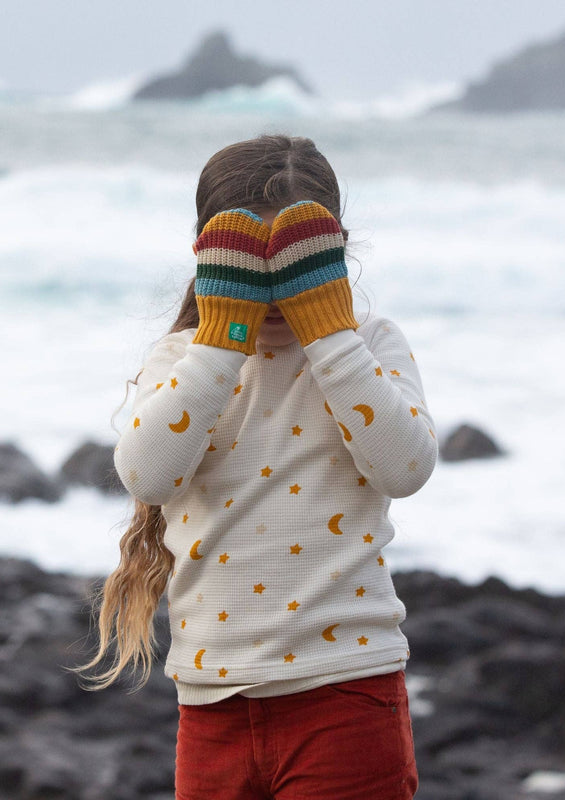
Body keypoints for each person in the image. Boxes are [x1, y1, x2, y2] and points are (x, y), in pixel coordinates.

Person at [87, 134, 438, 799]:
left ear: (335, 252)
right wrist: (223, 338)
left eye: (301, 259)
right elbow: (147, 476)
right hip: (212, 703)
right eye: (257, 260)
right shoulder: (187, 362)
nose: (279, 284)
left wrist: (329, 332)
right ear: (213, 257)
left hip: (346, 692)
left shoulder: (368, 348)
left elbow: (407, 467)